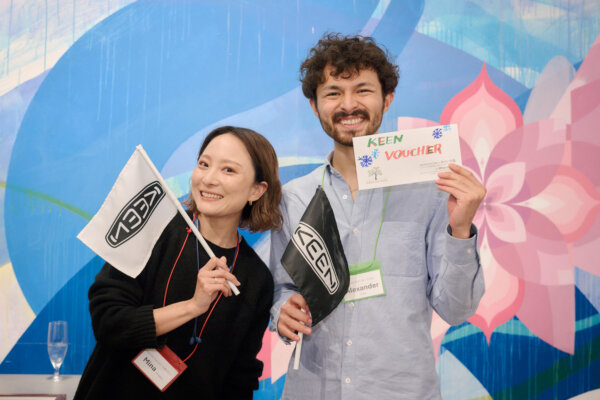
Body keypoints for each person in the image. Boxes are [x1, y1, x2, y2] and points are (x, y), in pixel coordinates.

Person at [269, 33, 486, 399]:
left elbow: (456, 310)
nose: (348, 105)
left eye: (363, 90)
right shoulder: (293, 198)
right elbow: (281, 289)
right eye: (333, 93)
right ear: (314, 106)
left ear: (387, 99)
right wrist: (281, 310)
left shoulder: (433, 193)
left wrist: (461, 227)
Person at [74, 126, 282, 399]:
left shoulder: (256, 278)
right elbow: (109, 323)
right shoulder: (154, 228)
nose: (208, 179)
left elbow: (240, 377)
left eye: (228, 170)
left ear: (256, 190)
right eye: (204, 164)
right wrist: (193, 306)